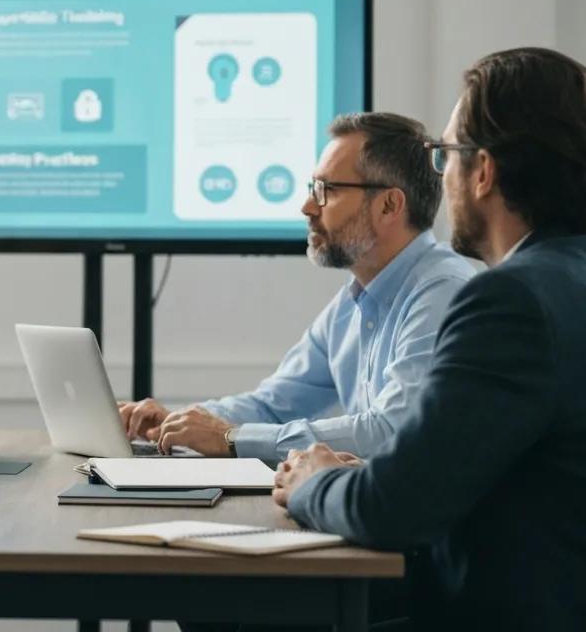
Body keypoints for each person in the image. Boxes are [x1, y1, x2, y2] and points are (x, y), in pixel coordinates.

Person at [275, 47, 586, 629]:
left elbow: (391, 509)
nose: (441, 175)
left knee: (232, 605)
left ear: (483, 171)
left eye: (446, 155)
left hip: (504, 615)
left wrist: (314, 480)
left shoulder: (513, 301)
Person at [119, 113, 474, 463]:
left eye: (326, 191)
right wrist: (178, 422)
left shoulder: (443, 293)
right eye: (311, 189)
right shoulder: (352, 301)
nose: (307, 207)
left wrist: (231, 438)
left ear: (389, 205)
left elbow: (392, 430)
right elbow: (273, 405)